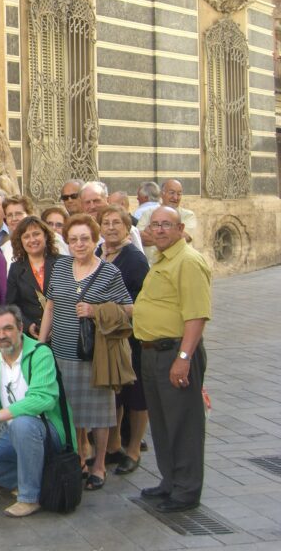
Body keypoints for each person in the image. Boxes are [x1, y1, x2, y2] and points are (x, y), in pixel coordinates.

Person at [39, 214, 133, 492]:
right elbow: (50, 306)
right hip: (62, 352)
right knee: (71, 411)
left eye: (85, 239)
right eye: (73, 240)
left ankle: (100, 464)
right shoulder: (60, 267)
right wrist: (42, 344)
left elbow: (129, 308)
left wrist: (96, 311)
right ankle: (80, 456)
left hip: (95, 354)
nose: (79, 245)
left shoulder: (109, 273)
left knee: (99, 414)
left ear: (95, 241)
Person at [0, 305, 76, 518]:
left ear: (20, 328)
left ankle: (30, 497)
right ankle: (36, 479)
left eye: (8, 328)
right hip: (11, 434)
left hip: (48, 432)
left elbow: (42, 399)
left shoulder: (41, 353)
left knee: (22, 423)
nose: (2, 335)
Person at [134, 206, 211, 512]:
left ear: (180, 229)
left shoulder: (189, 262)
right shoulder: (162, 259)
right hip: (153, 353)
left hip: (175, 353)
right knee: (164, 424)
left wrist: (183, 357)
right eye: (156, 225)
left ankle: (187, 491)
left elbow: (196, 315)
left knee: (184, 425)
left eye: (167, 225)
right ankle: (170, 481)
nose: (161, 230)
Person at [97, 205, 151, 475]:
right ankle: (114, 445)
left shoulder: (135, 259)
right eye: (105, 222)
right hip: (106, 337)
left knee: (135, 395)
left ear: (127, 227)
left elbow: (143, 303)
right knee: (114, 393)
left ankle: (133, 449)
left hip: (130, 337)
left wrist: (111, 309)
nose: (110, 227)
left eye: (116, 222)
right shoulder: (98, 254)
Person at [5, 216, 61, 339]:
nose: (32, 240)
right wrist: (28, 326)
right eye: (26, 236)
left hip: (63, 332)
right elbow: (10, 305)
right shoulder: (16, 269)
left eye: (36, 234)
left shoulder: (63, 263)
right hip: (32, 335)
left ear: (45, 236)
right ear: (21, 241)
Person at [138, 179, 198, 265]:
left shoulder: (188, 215)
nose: (175, 197)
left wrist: (151, 232)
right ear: (162, 194)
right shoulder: (148, 213)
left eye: (179, 194)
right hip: (151, 266)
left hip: (178, 266)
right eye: (172, 193)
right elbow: (139, 237)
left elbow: (185, 237)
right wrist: (168, 238)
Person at [0, 195, 35, 267]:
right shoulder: (4, 249)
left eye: (18, 214)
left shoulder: (47, 240)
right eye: (9, 215)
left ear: (29, 215)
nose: (14, 218)